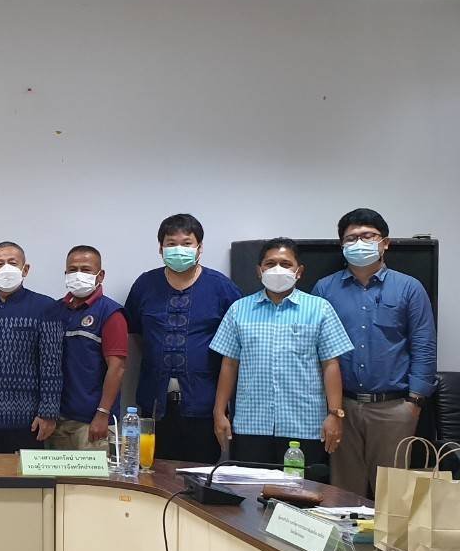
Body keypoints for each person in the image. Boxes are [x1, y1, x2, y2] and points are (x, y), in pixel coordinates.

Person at [312, 209, 438, 497]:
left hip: (394, 408)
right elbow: (315, 349)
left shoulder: (409, 288)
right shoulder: (325, 289)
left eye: (368, 236)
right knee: (343, 496)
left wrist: (414, 403)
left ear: (385, 243)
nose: (359, 243)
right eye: (351, 238)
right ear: (342, 246)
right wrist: (330, 408)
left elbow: (423, 345)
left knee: (393, 498)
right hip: (341, 408)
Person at [210, 239, 353, 467]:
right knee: (250, 488)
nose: (278, 269)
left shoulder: (320, 309)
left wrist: (335, 414)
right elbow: (229, 364)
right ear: (259, 271)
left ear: (299, 271)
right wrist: (219, 412)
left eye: (286, 264)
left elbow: (331, 365)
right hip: (251, 425)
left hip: (305, 425)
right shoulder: (239, 310)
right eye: (270, 263)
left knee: (302, 488)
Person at [123, 214, 241, 464]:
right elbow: (136, 334)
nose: (179, 249)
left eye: (187, 243)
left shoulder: (221, 288)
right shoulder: (145, 285)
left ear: (199, 247)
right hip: (154, 406)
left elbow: (236, 345)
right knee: (152, 474)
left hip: (204, 406)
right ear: (160, 248)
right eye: (171, 243)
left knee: (199, 475)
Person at [0, 242, 63, 453]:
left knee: (25, 475)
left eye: (13, 263)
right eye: (0, 264)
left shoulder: (46, 306)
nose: (6, 268)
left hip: (28, 418)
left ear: (25, 269)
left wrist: (48, 412)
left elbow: (52, 364)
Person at [49, 246, 127, 452]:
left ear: (100, 275)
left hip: (93, 423)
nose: (78, 275)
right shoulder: (55, 311)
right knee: (58, 474)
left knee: (95, 474)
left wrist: (103, 414)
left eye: (85, 269)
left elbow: (117, 368)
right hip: (58, 420)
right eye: (72, 270)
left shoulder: (111, 313)